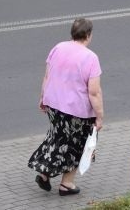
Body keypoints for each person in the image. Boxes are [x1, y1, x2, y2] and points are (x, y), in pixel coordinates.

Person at [28, 17, 104, 196]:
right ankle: (67, 184)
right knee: (78, 144)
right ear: (88, 35)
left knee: (58, 138)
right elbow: (94, 92)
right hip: (76, 110)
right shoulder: (91, 58)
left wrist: (42, 97)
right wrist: (99, 116)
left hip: (53, 104)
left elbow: (48, 76)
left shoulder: (58, 47)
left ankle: (44, 174)